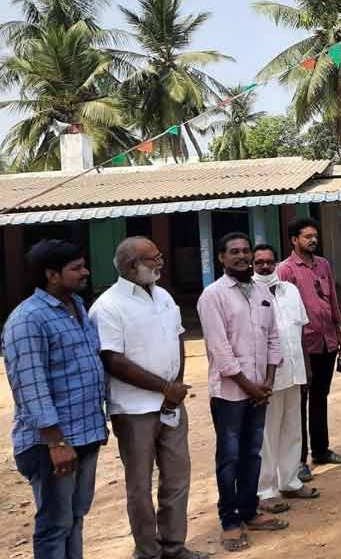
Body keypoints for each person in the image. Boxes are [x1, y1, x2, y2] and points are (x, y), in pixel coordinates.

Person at [89, 237, 206, 559]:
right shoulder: (108, 306)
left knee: (177, 478)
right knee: (139, 487)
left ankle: (174, 545)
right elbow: (113, 360)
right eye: (154, 258)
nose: (161, 262)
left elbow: (177, 339)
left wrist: (176, 386)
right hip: (133, 409)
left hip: (171, 405)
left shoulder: (164, 296)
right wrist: (163, 388)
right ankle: (148, 551)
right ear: (131, 266)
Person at [3, 240, 107, 559]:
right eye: (76, 268)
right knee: (54, 524)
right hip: (54, 444)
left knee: (74, 519)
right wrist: (56, 444)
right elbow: (31, 386)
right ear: (51, 275)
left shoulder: (76, 306)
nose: (85, 272)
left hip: (85, 434)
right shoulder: (28, 319)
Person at [197, 233, 287, 552]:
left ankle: (250, 511)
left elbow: (274, 337)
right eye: (234, 252)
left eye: (246, 250)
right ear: (221, 258)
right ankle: (230, 521)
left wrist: (268, 381)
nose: (242, 256)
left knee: (253, 453)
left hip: (260, 389)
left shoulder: (262, 291)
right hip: (230, 394)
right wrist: (251, 387)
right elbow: (220, 351)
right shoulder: (213, 296)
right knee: (229, 458)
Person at [276, 217, 341, 477]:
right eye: (307, 236)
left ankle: (321, 450)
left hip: (327, 340)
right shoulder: (285, 270)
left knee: (320, 397)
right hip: (302, 346)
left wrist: (339, 332)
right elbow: (282, 311)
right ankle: (299, 460)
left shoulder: (324, 265)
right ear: (294, 240)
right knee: (299, 402)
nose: (313, 240)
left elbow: (331, 299)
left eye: (314, 236)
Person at [251, 244, 320, 513]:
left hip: (294, 371)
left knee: (292, 429)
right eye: (260, 263)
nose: (266, 267)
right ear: (253, 265)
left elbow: (300, 331)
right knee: (267, 434)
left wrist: (307, 367)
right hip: (267, 378)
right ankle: (265, 490)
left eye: (270, 261)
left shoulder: (290, 290)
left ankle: (290, 481)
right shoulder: (249, 294)